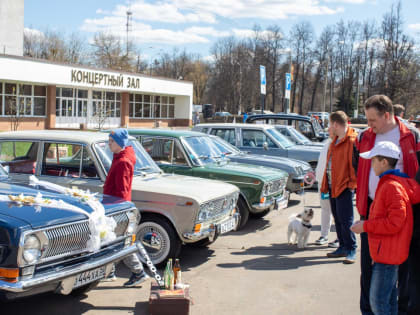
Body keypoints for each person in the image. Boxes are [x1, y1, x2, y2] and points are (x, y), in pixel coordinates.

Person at [354, 95, 420, 315]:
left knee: (396, 268)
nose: (369, 124)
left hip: (398, 209)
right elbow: (358, 166)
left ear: (387, 115)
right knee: (368, 269)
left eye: (373, 119)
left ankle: (392, 309)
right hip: (371, 207)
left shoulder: (411, 135)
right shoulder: (365, 136)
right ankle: (368, 310)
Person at [103, 128, 149, 287]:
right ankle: (110, 271)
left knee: (120, 242)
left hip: (117, 208)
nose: (109, 144)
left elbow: (122, 190)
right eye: (109, 141)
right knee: (110, 240)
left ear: (120, 143)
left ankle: (138, 272)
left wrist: (118, 209)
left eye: (112, 142)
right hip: (114, 205)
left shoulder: (123, 162)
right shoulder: (119, 157)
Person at [321, 111, 357, 263]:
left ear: (336, 124)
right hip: (332, 185)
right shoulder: (334, 141)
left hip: (343, 187)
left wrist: (350, 185)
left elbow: (355, 167)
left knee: (346, 219)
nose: (329, 127)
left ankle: (351, 249)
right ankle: (342, 246)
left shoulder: (351, 141)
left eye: (330, 124)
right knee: (337, 218)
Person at [314, 126, 337, 247]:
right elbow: (321, 162)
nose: (328, 131)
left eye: (330, 129)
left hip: (336, 184)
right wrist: (317, 176)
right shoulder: (326, 143)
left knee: (338, 212)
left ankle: (340, 237)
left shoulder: (340, 144)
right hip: (323, 184)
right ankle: (324, 235)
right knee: (325, 209)